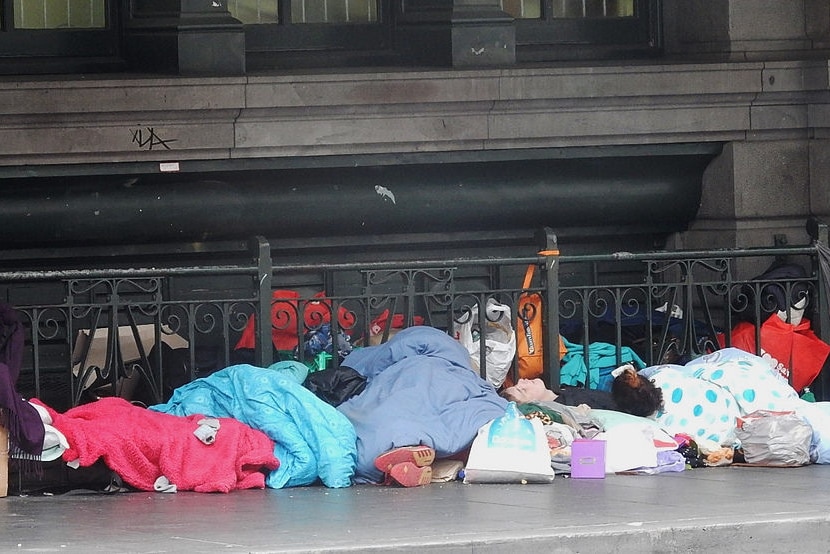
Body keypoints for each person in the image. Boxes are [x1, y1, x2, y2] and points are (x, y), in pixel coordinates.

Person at [501, 365, 664, 417]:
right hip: (632, 406)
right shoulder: (564, 407)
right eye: (522, 390)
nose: (522, 381)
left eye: (518, 384)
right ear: (532, 405)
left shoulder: (563, 392)